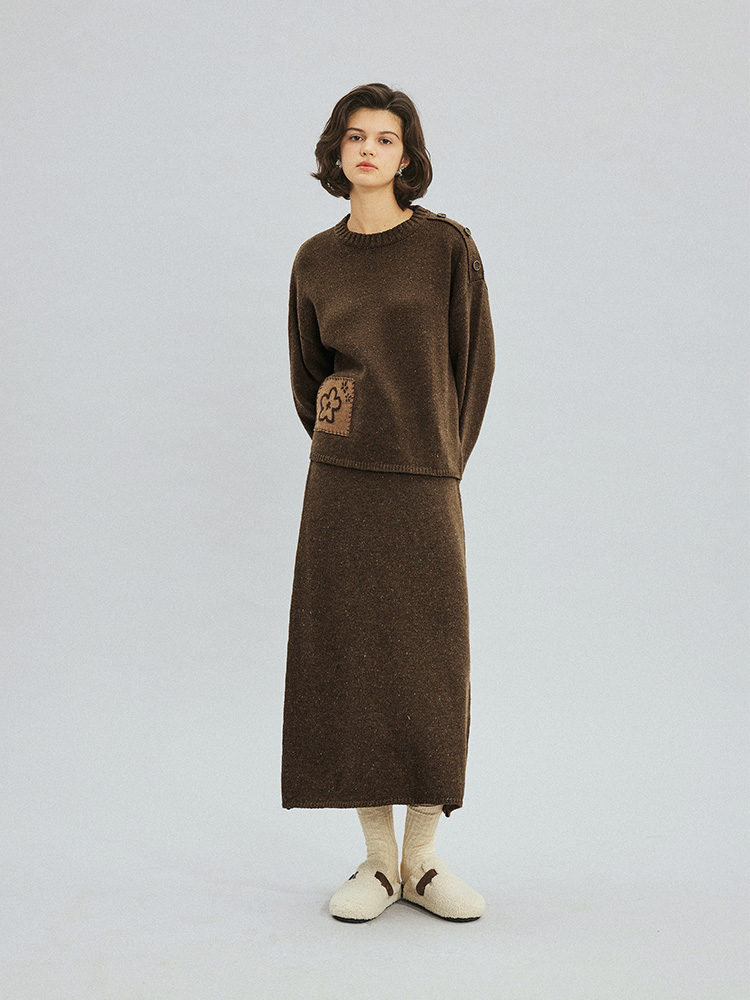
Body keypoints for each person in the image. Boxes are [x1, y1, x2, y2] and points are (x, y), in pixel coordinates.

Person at [281, 82, 495, 923]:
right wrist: (346, 437)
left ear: (408, 157)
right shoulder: (314, 259)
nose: (368, 149)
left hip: (424, 478)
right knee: (350, 659)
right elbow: (309, 373)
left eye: (385, 138)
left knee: (431, 661)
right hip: (341, 482)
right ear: (336, 151)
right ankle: (376, 861)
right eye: (355, 136)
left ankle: (424, 860)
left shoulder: (446, 248)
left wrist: (440, 459)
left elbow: (473, 363)